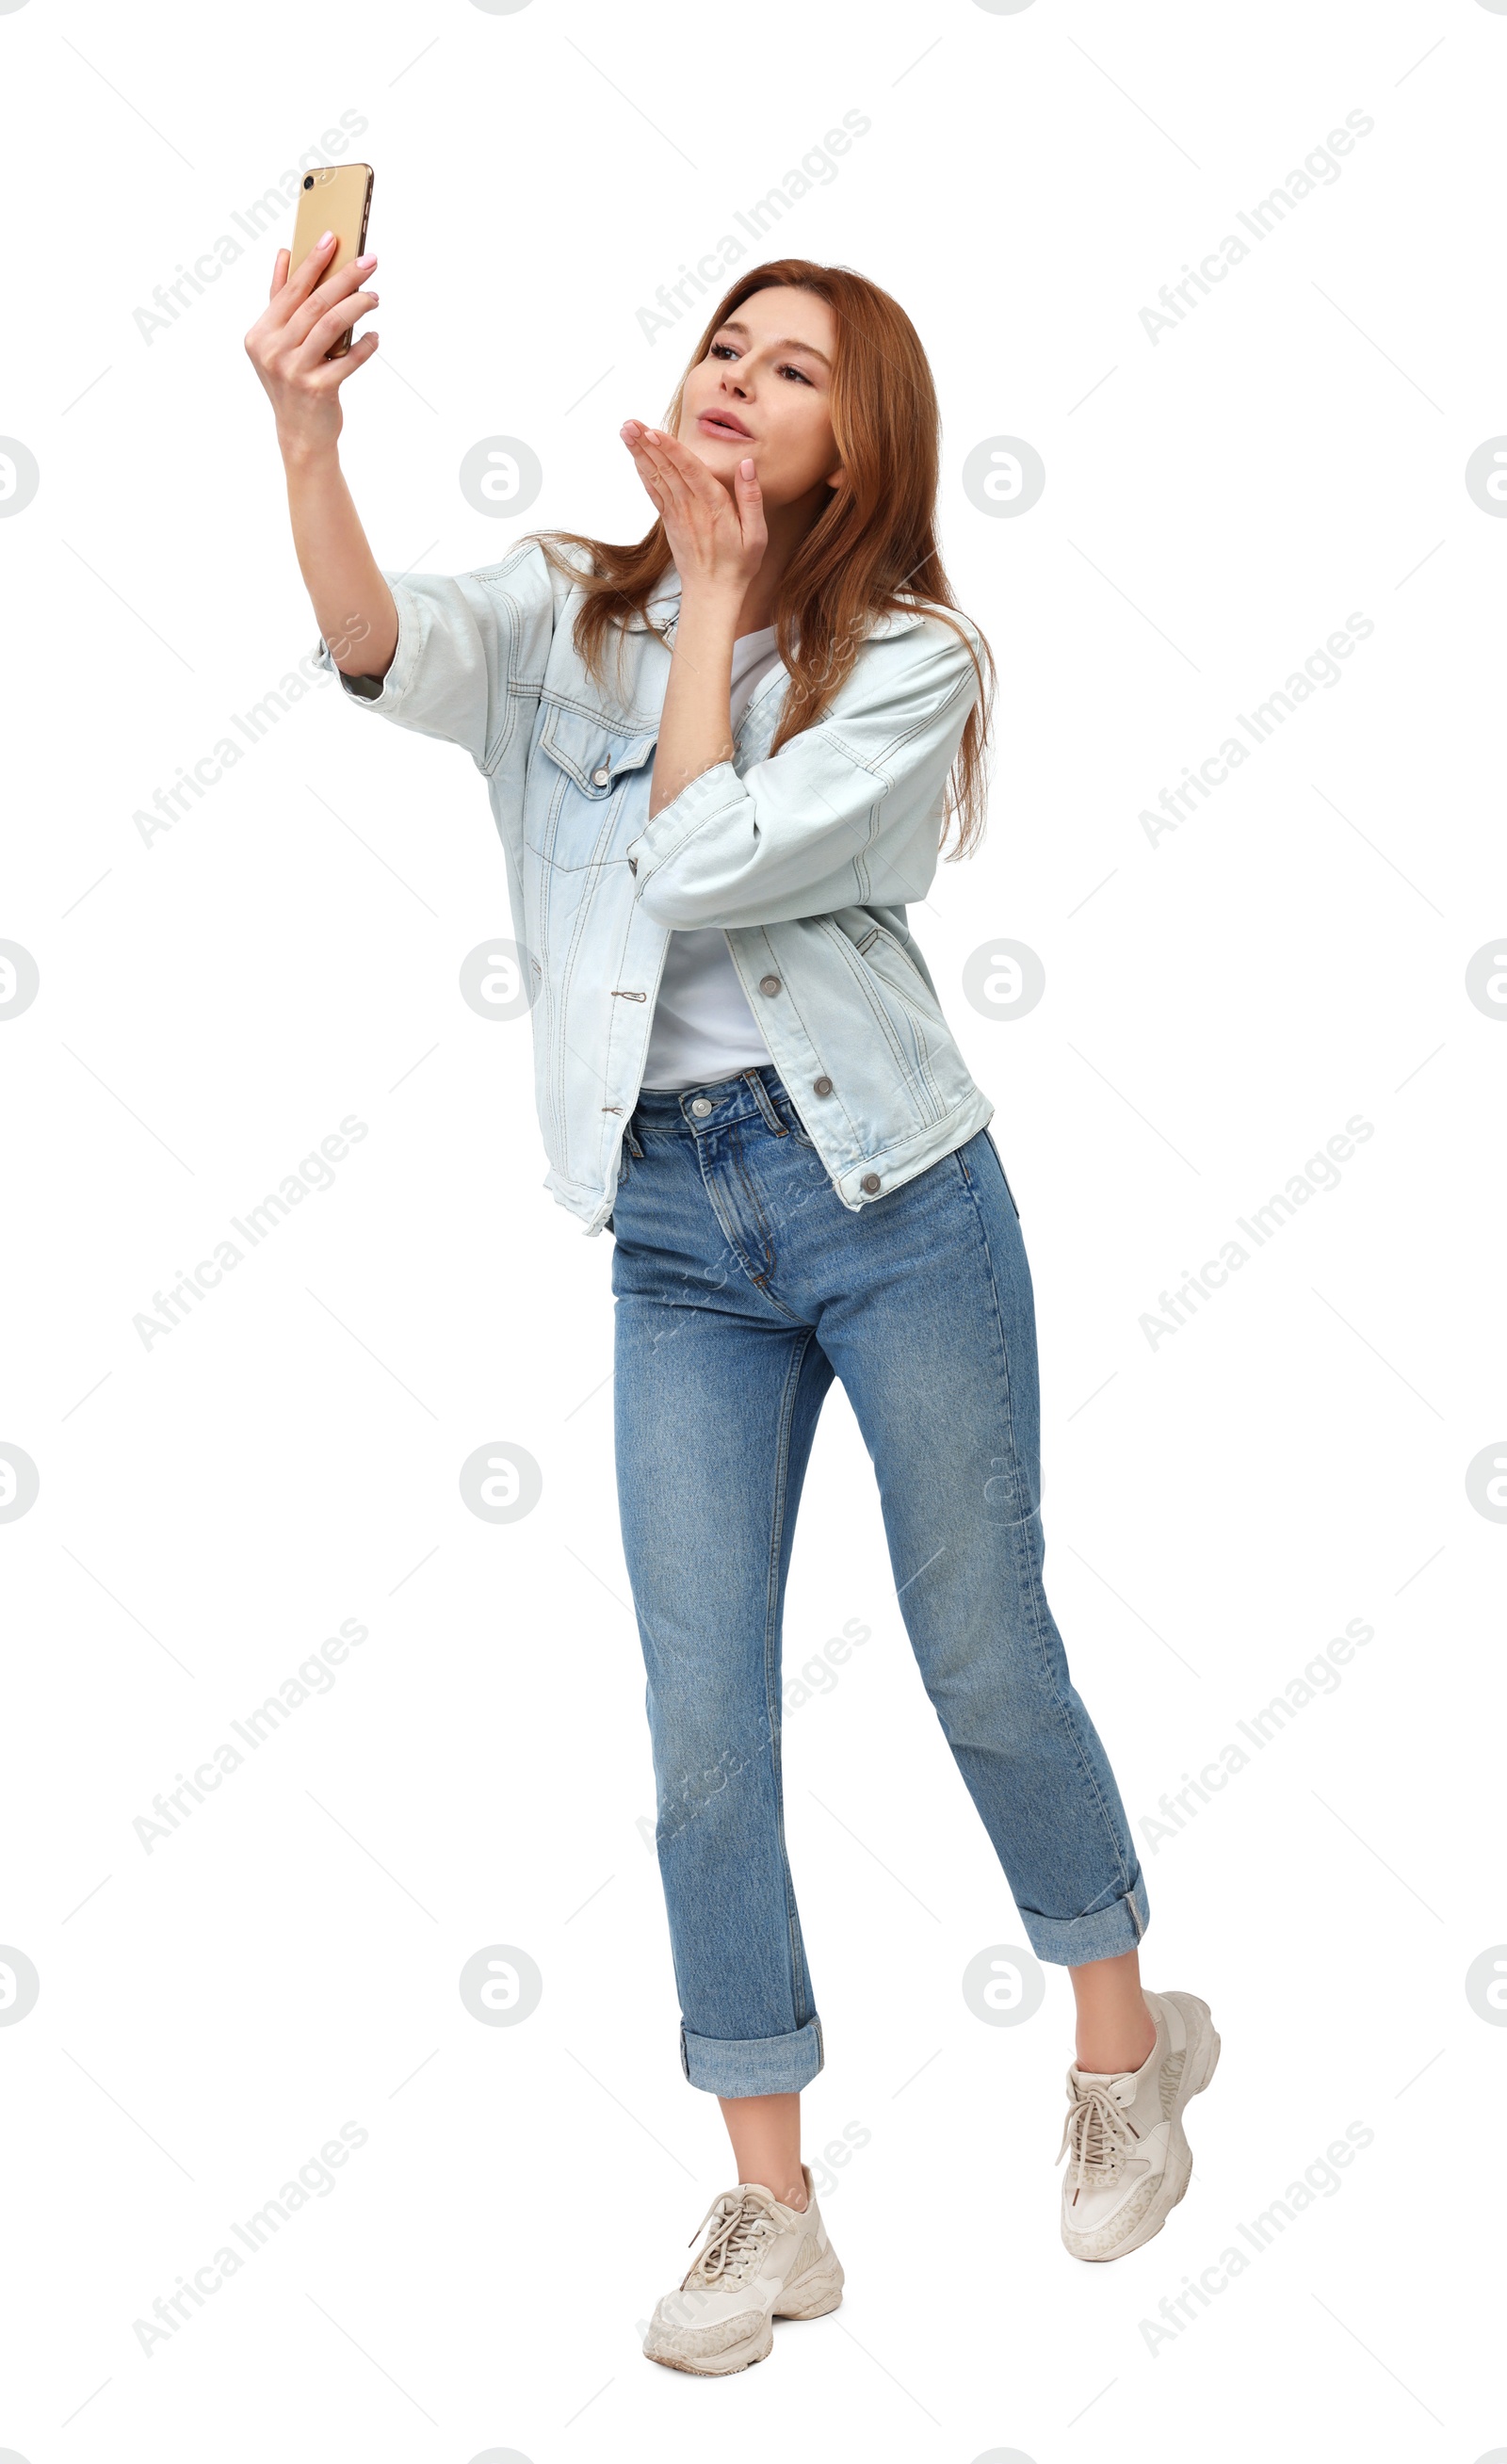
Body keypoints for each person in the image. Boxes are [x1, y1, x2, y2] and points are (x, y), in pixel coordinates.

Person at [246, 240, 1219, 2378]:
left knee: (979, 1643)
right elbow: (372, 641)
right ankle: (773, 2208)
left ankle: (1124, 2036)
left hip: (886, 1191)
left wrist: (714, 612)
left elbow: (696, 866)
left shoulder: (910, 664)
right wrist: (307, 434)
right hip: (675, 1232)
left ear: (854, 444)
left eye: (795, 373)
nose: (738, 383)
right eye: (723, 347)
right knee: (702, 1732)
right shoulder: (561, 607)